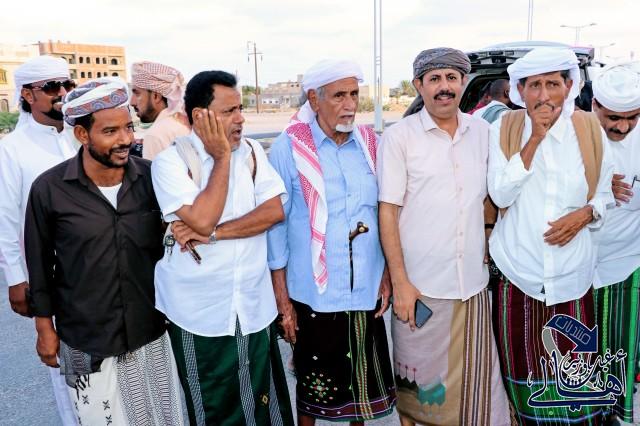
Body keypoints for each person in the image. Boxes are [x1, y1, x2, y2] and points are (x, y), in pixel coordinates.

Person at [25, 77, 184, 425]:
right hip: (86, 337)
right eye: (110, 131)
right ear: (82, 135)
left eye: (128, 127)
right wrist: (44, 329)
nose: (125, 139)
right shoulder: (49, 190)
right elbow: (39, 265)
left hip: (149, 331)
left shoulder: (152, 178)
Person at [151, 70, 294, 425]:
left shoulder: (252, 153)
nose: (240, 118)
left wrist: (214, 235)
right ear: (199, 116)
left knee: (264, 408)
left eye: (240, 109)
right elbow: (202, 218)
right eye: (229, 111)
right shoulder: (171, 162)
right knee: (215, 411)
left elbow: (273, 212)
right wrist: (221, 159)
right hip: (201, 315)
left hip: (253, 308)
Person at [377, 47, 510, 426]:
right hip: (421, 288)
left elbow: (489, 196)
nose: (444, 87)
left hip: (471, 286)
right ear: (418, 85)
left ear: (464, 82)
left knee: (476, 389)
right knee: (419, 394)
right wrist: (401, 284)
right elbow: (388, 211)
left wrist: (488, 233)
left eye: (451, 78)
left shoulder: (482, 132)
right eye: (434, 79)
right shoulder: (399, 137)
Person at [488, 47, 615, 425]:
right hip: (519, 274)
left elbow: (604, 195)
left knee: (576, 384)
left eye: (553, 84)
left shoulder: (589, 129)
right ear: (520, 90)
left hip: (572, 276)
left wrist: (585, 214)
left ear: (568, 86)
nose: (544, 95)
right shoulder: (505, 129)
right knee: (526, 381)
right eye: (535, 86)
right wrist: (534, 140)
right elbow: (500, 195)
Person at [267, 59, 396, 425]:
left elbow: (383, 214)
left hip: (364, 289)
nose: (350, 104)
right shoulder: (290, 148)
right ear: (314, 99)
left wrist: (386, 273)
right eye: (339, 96)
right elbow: (276, 228)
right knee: (312, 392)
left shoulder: (371, 144)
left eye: (354, 94)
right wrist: (283, 302)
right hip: (313, 294)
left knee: (360, 394)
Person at [0, 55, 78, 425]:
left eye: (67, 84)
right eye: (51, 87)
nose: (62, 93)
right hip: (50, 277)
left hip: (97, 269)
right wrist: (16, 278)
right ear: (28, 95)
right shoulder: (11, 150)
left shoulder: (80, 138)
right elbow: (6, 220)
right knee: (69, 374)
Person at [591, 61, 640, 425]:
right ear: (595, 105)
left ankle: (614, 414)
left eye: (633, 118)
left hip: (627, 261)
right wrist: (595, 186)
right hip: (576, 265)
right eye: (613, 118)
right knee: (577, 348)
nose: (622, 127)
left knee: (620, 345)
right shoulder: (572, 133)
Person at [130, 61, 190, 160]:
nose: (132, 102)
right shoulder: (184, 124)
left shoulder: (155, 135)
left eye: (137, 93)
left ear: (156, 96)